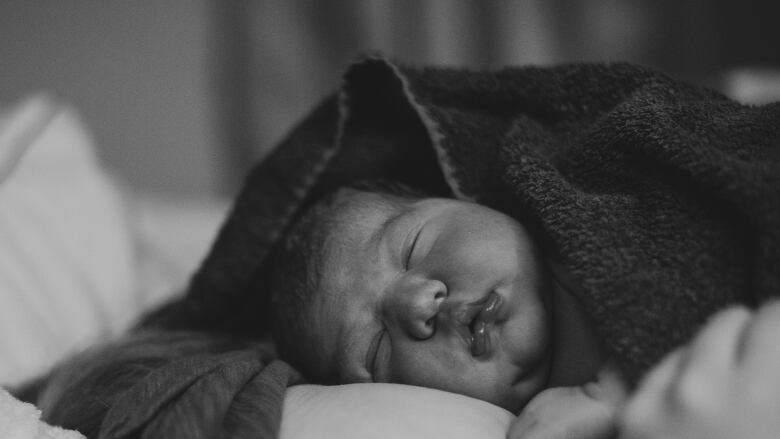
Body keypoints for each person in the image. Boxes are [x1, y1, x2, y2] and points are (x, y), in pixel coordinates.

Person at [268, 179, 628, 438]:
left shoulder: (617, 206)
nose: (420, 304)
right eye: (377, 348)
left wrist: (609, 395)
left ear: (465, 199)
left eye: (412, 248)